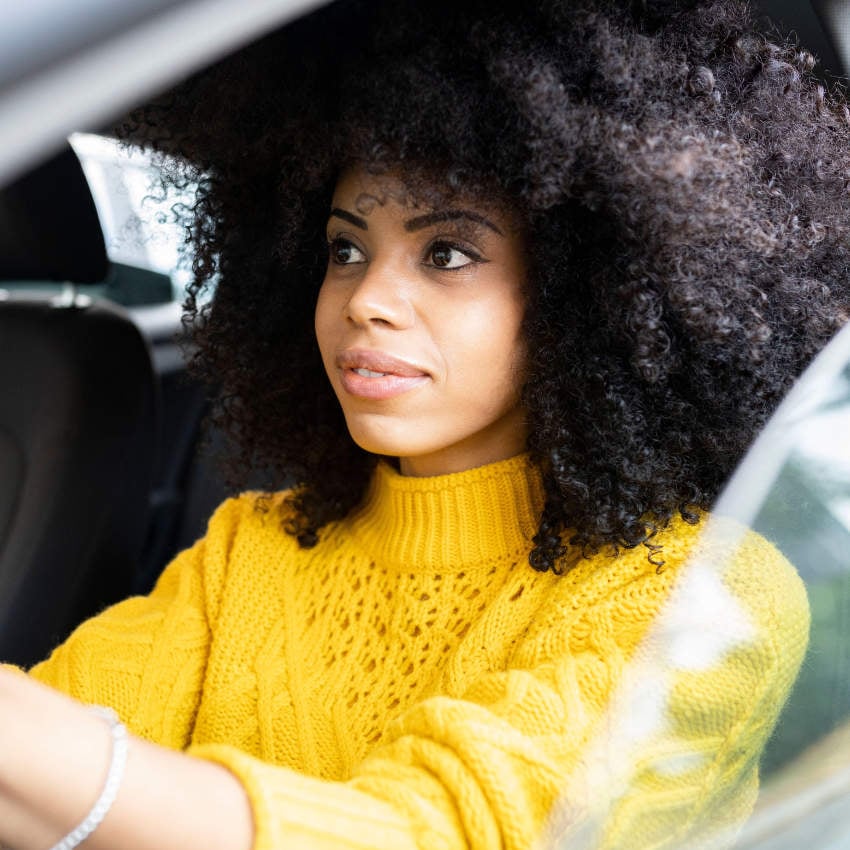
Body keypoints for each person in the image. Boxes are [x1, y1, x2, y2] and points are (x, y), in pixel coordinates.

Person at [0, 0, 846, 847]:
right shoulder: (248, 552)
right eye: (345, 249)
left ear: (589, 295)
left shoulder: (705, 593)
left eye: (446, 254)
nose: (366, 300)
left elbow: (445, 830)